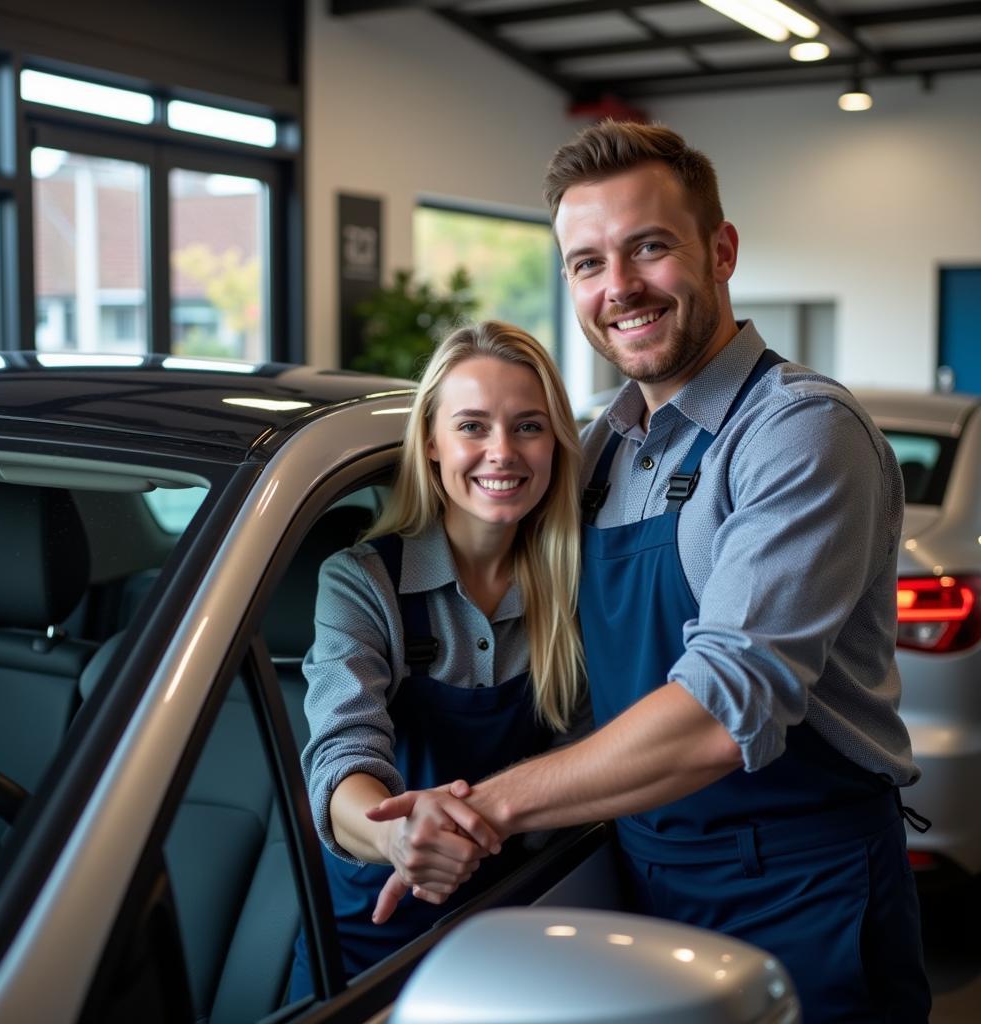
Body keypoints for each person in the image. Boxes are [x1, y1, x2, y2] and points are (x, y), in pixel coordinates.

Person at [371, 121, 931, 1021]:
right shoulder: (599, 446)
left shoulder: (796, 431)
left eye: (649, 248)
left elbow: (722, 710)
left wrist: (482, 809)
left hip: (798, 889)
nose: (619, 287)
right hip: (640, 867)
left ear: (721, 250)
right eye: (588, 263)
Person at [289, 320, 586, 1000]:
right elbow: (341, 758)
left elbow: (591, 755)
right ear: (431, 440)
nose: (502, 452)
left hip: (512, 933)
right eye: (473, 426)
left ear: (556, 443)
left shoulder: (577, 587)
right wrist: (401, 841)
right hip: (368, 941)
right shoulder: (361, 582)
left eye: (529, 426)